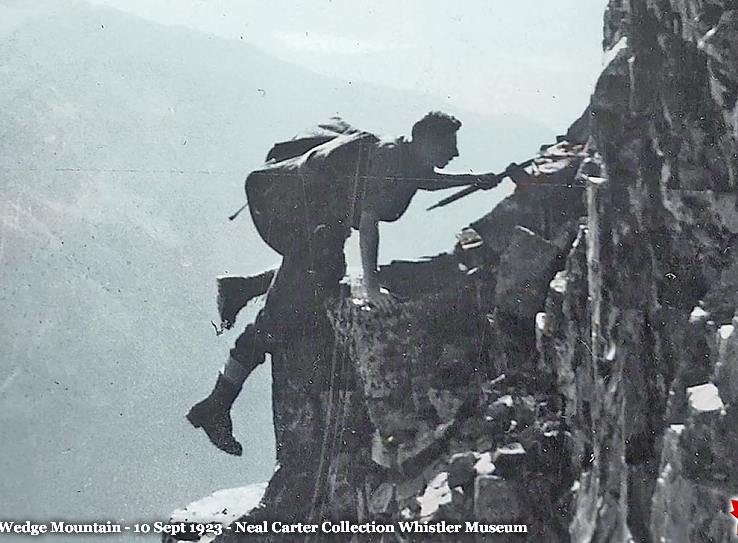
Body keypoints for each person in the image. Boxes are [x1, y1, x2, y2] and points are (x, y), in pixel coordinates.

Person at [187, 111, 502, 455]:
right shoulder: (388, 160)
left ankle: (244, 288)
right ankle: (215, 405)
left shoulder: (402, 156)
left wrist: (473, 179)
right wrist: (372, 287)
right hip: (304, 224)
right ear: (426, 141)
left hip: (315, 225)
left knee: (320, 277)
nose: (454, 153)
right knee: (276, 320)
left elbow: (424, 179)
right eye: (449, 145)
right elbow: (368, 224)